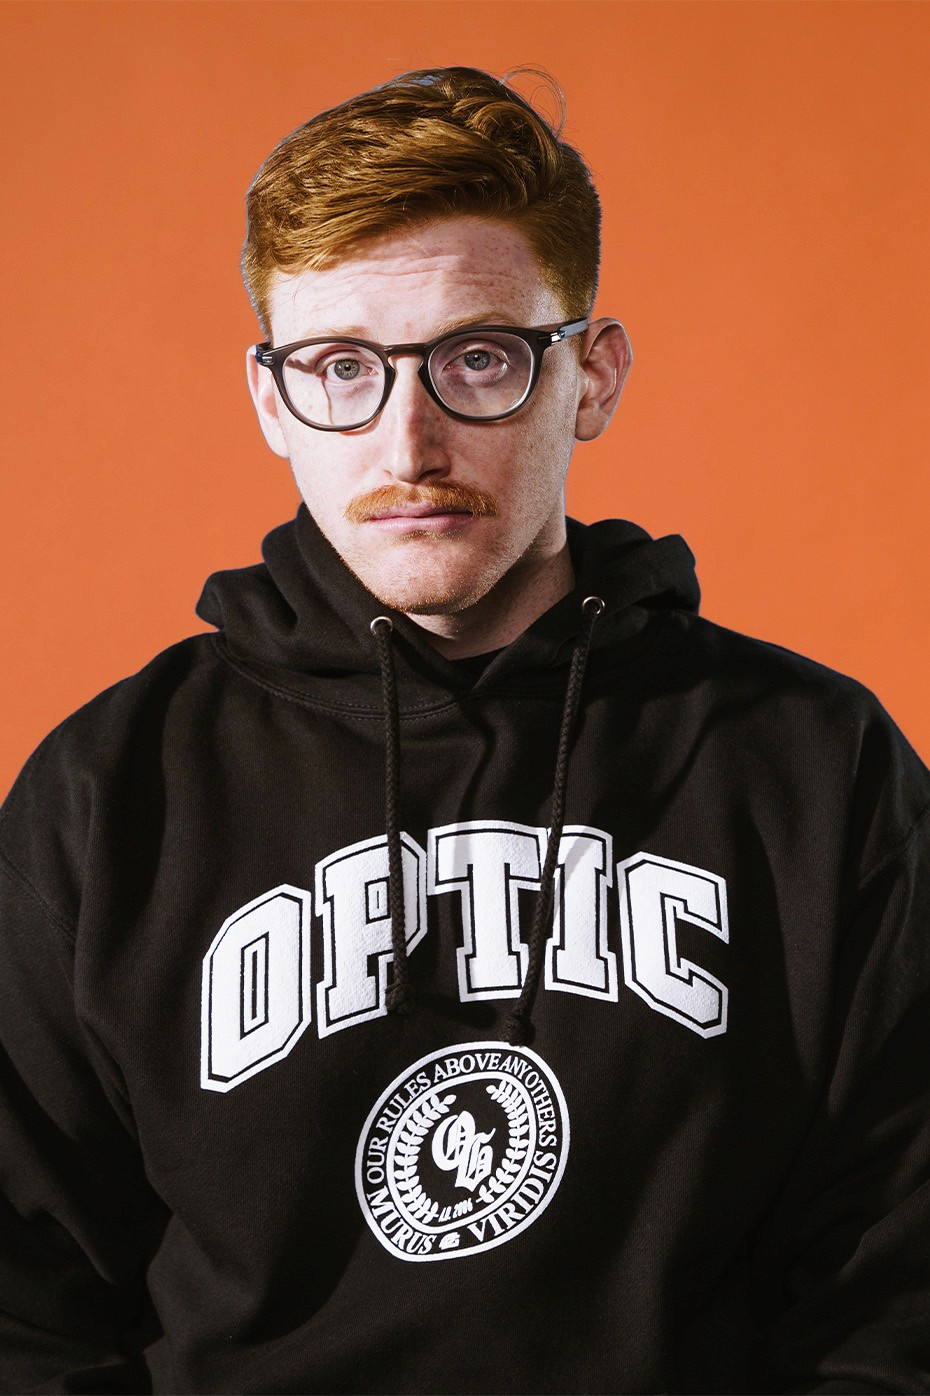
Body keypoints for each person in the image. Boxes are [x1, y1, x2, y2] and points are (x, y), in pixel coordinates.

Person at [0, 65, 927, 1396]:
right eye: (340, 369)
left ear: (591, 376)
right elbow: (23, 1303)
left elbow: (898, 1278)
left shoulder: (812, 766)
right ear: (270, 402)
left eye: (477, 359)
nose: (409, 443)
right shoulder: (109, 794)